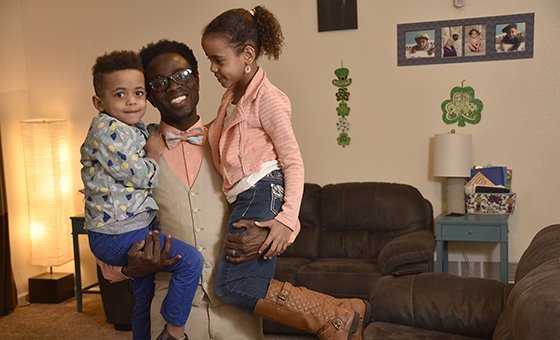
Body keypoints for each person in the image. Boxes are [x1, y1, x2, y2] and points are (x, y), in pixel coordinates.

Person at [201, 5, 369, 340]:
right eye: (209, 59)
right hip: (247, 195)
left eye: (218, 59)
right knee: (239, 283)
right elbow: (219, 136)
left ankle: (334, 318)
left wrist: (287, 220)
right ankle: (342, 311)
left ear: (247, 54)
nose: (212, 68)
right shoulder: (231, 96)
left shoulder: (269, 99)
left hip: (261, 192)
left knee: (231, 285)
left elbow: (293, 161)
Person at [97, 40, 266, 340]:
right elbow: (106, 220)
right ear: (147, 94)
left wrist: (267, 233)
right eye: (159, 82)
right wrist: (129, 268)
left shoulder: (234, 140)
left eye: (183, 75)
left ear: (198, 79)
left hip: (237, 307)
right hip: (172, 312)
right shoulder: (130, 152)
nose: (174, 87)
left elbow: (273, 198)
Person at [80, 50, 204, 340]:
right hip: (119, 233)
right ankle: (174, 331)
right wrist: (154, 154)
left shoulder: (130, 128)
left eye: (137, 93)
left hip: (131, 229)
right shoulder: (106, 128)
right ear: (100, 102)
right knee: (192, 261)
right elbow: (138, 173)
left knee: (143, 300)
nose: (132, 101)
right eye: (120, 95)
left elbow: (139, 139)